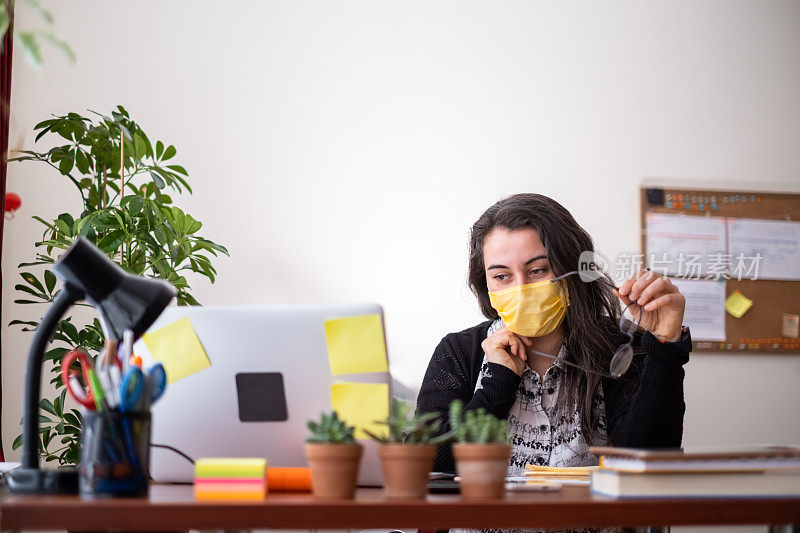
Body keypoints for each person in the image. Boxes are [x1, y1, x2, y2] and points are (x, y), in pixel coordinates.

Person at [416, 193, 691, 475]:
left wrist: (664, 348)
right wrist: (497, 384)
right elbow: (424, 467)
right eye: (501, 276)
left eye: (538, 270)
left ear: (570, 272)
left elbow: (647, 465)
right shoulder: (459, 352)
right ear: (484, 283)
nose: (521, 288)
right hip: (483, 521)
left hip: (594, 519)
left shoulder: (620, 348)